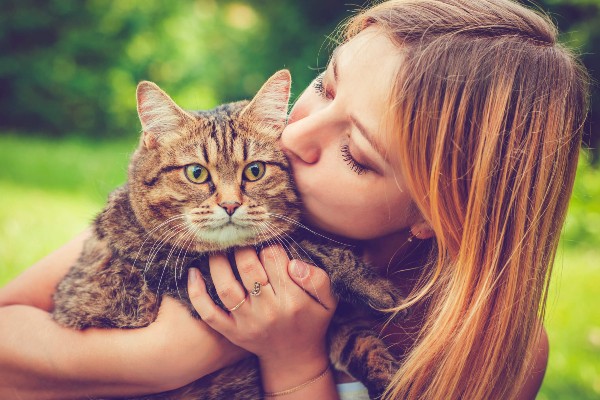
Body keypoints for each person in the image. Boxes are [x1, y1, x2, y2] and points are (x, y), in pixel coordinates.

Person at [0, 0, 589, 399]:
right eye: (323, 86)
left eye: (354, 153)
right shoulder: (185, 215)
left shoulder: (488, 346)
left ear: (438, 214)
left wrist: (296, 361)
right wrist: (164, 357)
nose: (296, 137)